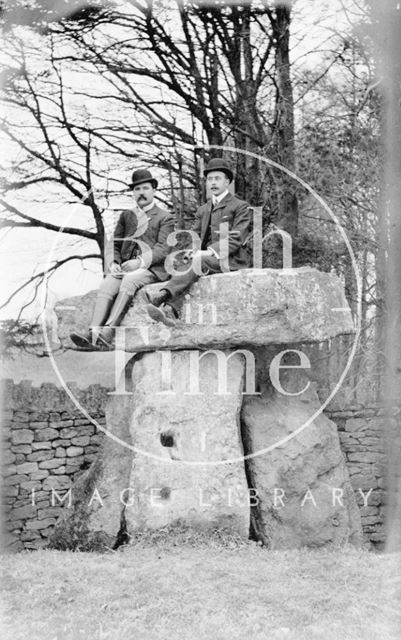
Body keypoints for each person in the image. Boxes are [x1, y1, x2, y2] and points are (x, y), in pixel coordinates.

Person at [70, 168, 174, 349]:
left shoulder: (165, 217)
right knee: (107, 284)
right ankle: (93, 332)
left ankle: (108, 331)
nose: (141, 193)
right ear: (133, 193)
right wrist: (114, 263)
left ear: (154, 190)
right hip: (125, 268)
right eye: (137, 189)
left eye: (145, 188)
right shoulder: (127, 216)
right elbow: (114, 245)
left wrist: (139, 262)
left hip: (151, 269)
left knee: (130, 281)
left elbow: (163, 249)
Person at [145, 158, 251, 326]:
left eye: (218, 178)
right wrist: (190, 250)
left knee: (199, 261)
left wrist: (208, 251)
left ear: (227, 182)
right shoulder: (203, 209)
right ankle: (170, 310)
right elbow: (195, 235)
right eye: (210, 179)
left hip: (231, 260)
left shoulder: (240, 206)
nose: (213, 182)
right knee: (182, 263)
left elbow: (237, 237)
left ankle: (163, 296)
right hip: (207, 261)